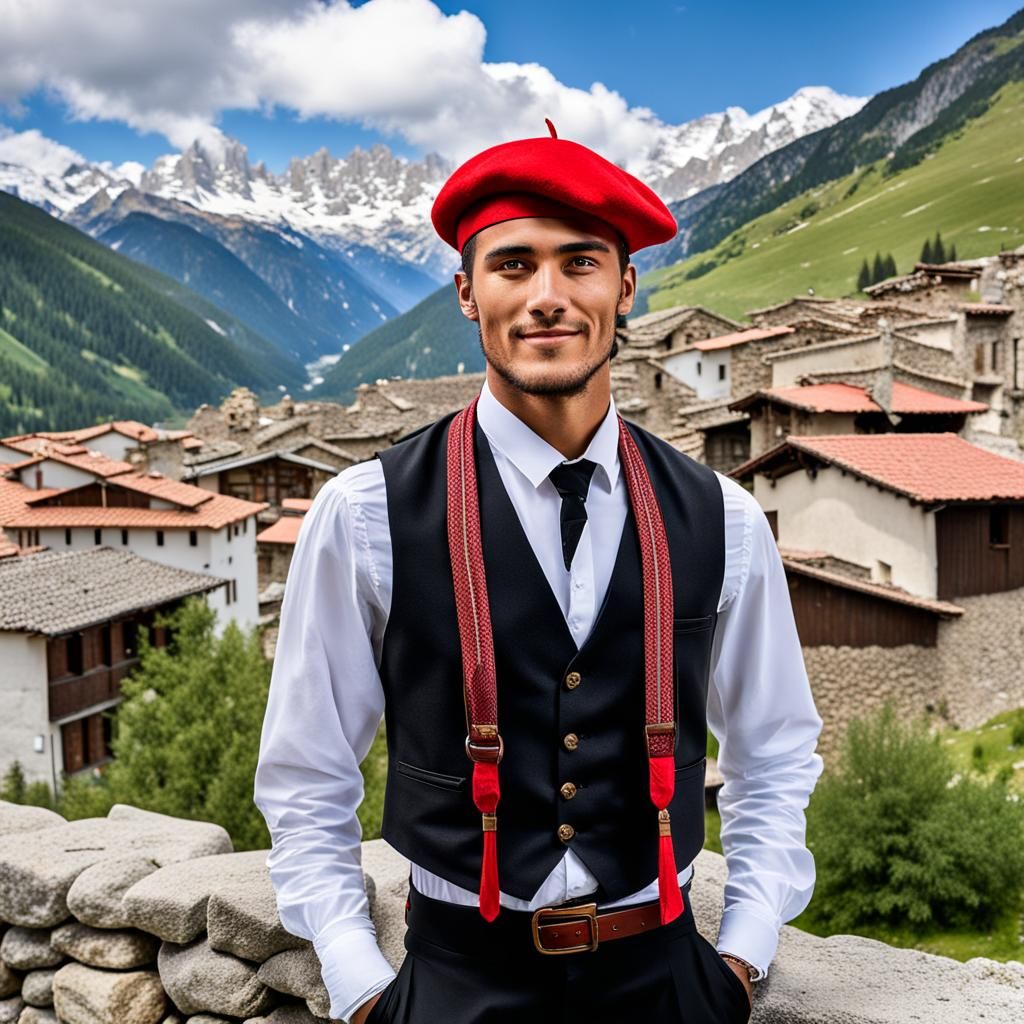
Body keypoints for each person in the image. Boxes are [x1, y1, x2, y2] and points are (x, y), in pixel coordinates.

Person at [254, 123, 825, 1024]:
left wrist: (743, 954)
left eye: (581, 263)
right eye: (514, 265)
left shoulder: (725, 519)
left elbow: (776, 752)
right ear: (466, 293)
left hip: (667, 980)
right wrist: (360, 984)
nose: (547, 297)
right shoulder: (365, 514)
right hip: (454, 977)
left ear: (625, 286)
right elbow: (307, 771)